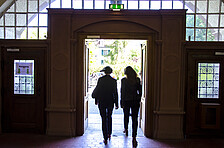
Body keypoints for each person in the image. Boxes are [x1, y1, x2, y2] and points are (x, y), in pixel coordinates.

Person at [92, 66, 118, 145]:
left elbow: (98, 90)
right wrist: (117, 103)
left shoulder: (101, 80)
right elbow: (115, 93)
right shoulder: (113, 81)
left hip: (102, 101)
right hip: (110, 101)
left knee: (103, 118)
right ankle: (109, 133)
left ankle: (105, 137)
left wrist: (96, 100)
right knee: (109, 116)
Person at [120, 66, 142, 147]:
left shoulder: (124, 80)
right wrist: (139, 98)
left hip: (126, 100)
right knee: (135, 118)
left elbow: (122, 91)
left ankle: (126, 129)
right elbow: (140, 91)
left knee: (126, 115)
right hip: (135, 100)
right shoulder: (137, 80)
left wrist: (121, 101)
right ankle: (134, 136)